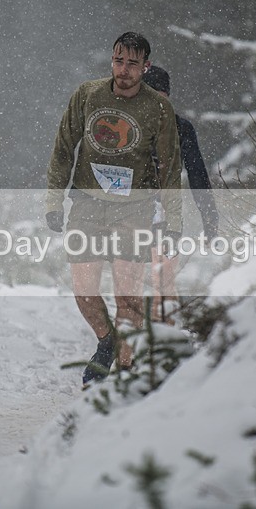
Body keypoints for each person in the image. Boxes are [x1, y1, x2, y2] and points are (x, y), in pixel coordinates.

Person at [45, 32, 183, 386]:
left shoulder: (158, 108)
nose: (123, 70)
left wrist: (172, 221)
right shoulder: (88, 95)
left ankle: (123, 371)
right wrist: (53, 200)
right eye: (118, 61)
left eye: (132, 64)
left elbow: (170, 169)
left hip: (134, 209)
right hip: (87, 203)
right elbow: (63, 149)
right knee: (84, 290)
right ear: (111, 60)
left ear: (145, 67)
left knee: (128, 294)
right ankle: (106, 341)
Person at [142, 65, 218, 325]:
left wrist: (209, 217)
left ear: (167, 96)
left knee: (163, 281)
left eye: (160, 97)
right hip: (129, 212)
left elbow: (198, 174)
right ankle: (136, 350)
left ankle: (164, 345)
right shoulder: (128, 126)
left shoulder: (181, 128)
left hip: (166, 215)